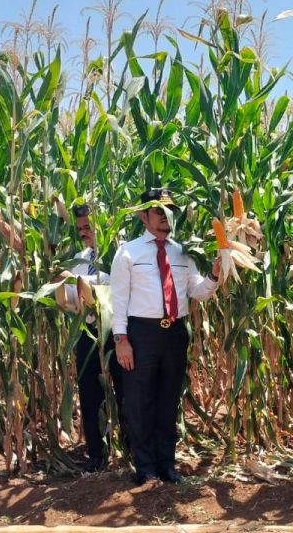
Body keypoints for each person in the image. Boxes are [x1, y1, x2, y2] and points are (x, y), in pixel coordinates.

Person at [109, 189, 222, 485]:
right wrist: (121, 339)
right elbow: (117, 299)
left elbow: (197, 292)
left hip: (174, 333)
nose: (165, 217)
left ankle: (167, 466)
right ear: (143, 216)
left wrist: (214, 275)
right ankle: (145, 467)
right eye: (158, 211)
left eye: (169, 211)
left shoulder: (183, 251)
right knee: (139, 400)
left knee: (168, 400)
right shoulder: (129, 252)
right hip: (140, 334)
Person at [67, 203, 125, 472]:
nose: (83, 232)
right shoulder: (79, 259)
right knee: (89, 393)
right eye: (79, 228)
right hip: (88, 333)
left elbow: (117, 294)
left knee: (125, 392)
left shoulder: (120, 254)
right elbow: (72, 300)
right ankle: (96, 453)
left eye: (87, 226)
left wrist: (90, 290)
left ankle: (129, 447)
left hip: (118, 333)